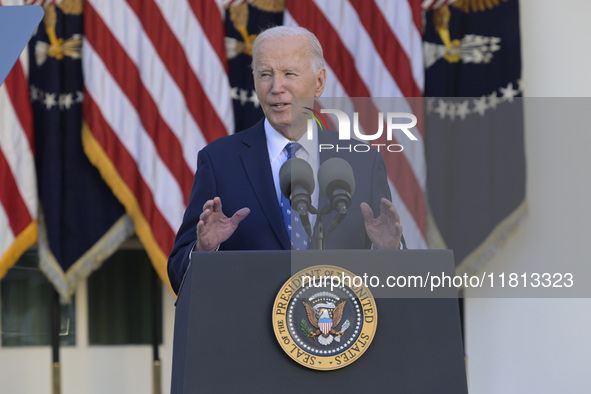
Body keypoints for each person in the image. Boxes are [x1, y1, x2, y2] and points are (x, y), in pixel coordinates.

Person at [167, 26, 403, 294]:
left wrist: (389, 253)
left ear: (319, 82)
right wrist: (204, 250)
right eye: (265, 74)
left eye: (289, 73)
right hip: (248, 333)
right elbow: (178, 276)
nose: (276, 88)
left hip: (338, 326)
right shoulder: (219, 161)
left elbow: (394, 284)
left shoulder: (363, 162)